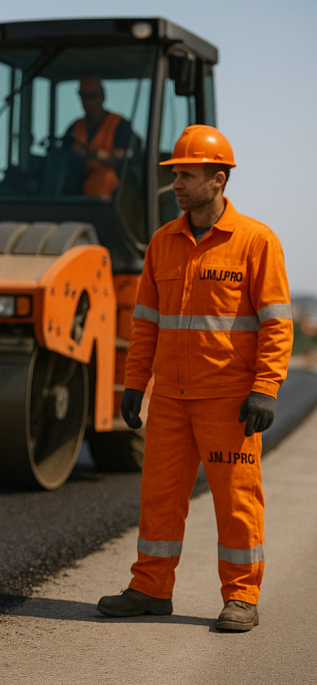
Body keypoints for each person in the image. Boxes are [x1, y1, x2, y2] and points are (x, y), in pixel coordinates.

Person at [97, 125, 293, 632]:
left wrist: (266, 388)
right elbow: (145, 322)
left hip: (228, 401)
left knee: (236, 501)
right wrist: (134, 383)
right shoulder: (162, 242)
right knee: (159, 498)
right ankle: (150, 588)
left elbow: (276, 323)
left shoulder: (255, 241)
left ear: (218, 180)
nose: (176, 184)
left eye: (186, 175)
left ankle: (242, 597)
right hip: (170, 399)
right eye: (175, 175)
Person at [63, 77, 134, 198]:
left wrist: (98, 155)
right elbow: (63, 156)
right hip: (76, 179)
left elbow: (122, 157)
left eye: (93, 95)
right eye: (84, 96)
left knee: (104, 177)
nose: (88, 101)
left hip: (108, 185)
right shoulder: (75, 127)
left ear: (102, 96)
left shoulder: (119, 124)